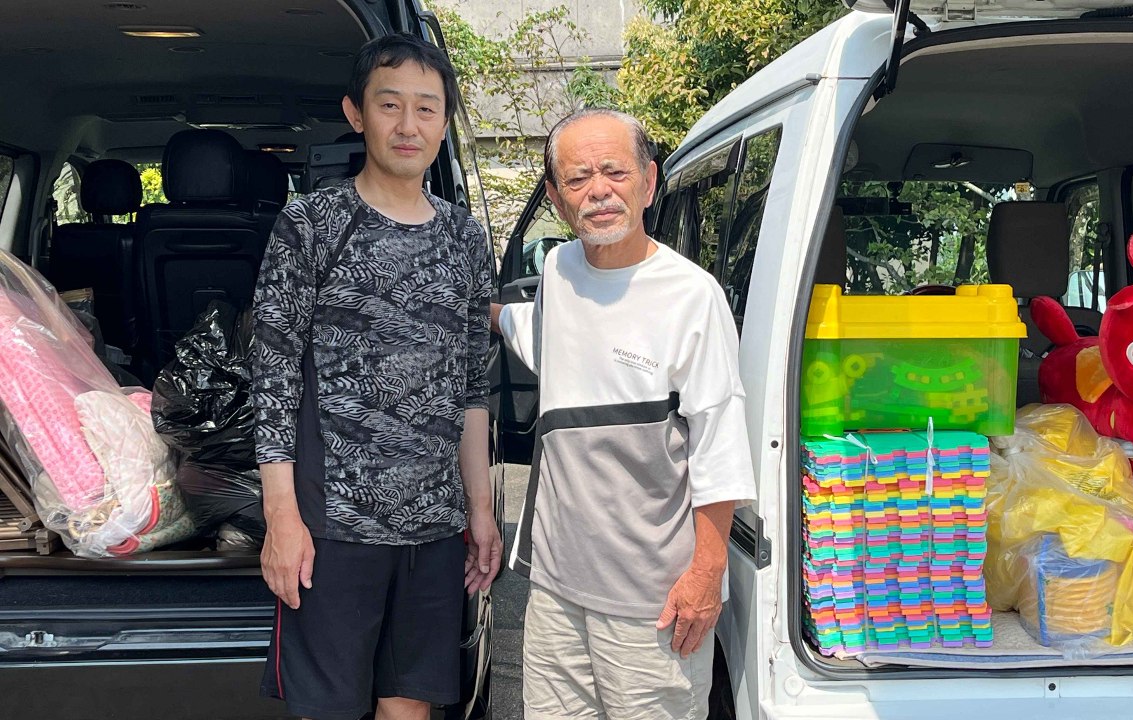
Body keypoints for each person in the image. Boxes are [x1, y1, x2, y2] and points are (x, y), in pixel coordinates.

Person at [251, 32, 500, 720]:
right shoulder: (312, 223)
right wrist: (281, 518)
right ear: (356, 114)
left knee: (410, 709)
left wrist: (480, 513)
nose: (408, 124)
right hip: (333, 528)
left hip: (434, 530)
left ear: (444, 123)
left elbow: (471, 390)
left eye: (426, 108)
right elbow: (273, 378)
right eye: (390, 105)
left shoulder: (465, 237)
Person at [492, 109, 756, 719]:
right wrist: (470, 310)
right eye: (577, 178)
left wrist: (706, 575)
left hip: (653, 601)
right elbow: (539, 335)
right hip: (554, 589)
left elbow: (719, 442)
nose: (599, 191)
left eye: (615, 171)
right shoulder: (557, 271)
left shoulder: (691, 295)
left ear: (649, 181)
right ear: (556, 198)